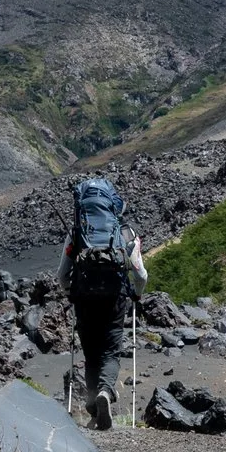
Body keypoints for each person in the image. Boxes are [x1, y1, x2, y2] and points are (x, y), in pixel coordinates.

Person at [57, 177, 144, 430]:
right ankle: (106, 392)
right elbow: (141, 275)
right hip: (115, 299)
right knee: (110, 351)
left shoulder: (77, 233)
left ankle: (95, 409)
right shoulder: (126, 233)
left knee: (91, 354)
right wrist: (137, 295)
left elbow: (62, 276)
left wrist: (71, 292)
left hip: (84, 300)